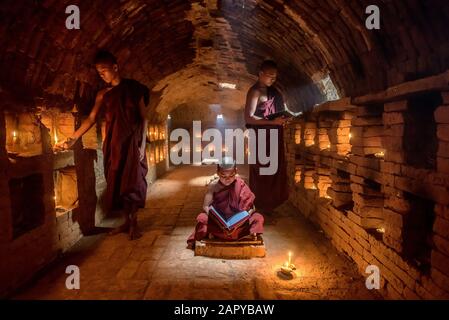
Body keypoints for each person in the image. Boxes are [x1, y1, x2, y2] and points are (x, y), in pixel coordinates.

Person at [55, 50, 150, 240]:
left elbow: (145, 118)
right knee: (117, 183)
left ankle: (134, 223)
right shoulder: (102, 95)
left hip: (132, 142)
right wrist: (73, 138)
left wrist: (142, 145)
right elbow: (91, 119)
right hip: (114, 144)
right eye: (99, 72)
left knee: (134, 182)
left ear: (115, 67)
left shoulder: (134, 88)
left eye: (105, 70)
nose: (102, 75)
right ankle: (126, 222)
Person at [186, 157, 264, 249]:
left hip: (239, 225)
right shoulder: (214, 186)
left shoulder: (241, 184)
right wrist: (215, 219)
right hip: (219, 225)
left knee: (258, 217)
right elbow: (206, 206)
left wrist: (246, 215)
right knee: (202, 218)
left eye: (231, 176)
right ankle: (241, 236)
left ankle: (220, 235)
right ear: (218, 172)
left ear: (236, 172)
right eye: (223, 176)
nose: (228, 179)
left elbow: (251, 207)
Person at [244, 59, 290, 213]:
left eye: (275, 76)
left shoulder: (274, 91)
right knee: (262, 169)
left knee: (275, 169)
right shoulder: (255, 91)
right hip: (261, 136)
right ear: (260, 74)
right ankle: (260, 203)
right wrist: (273, 122)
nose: (272, 79)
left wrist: (282, 119)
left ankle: (271, 204)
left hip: (274, 134)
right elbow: (249, 117)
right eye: (270, 75)